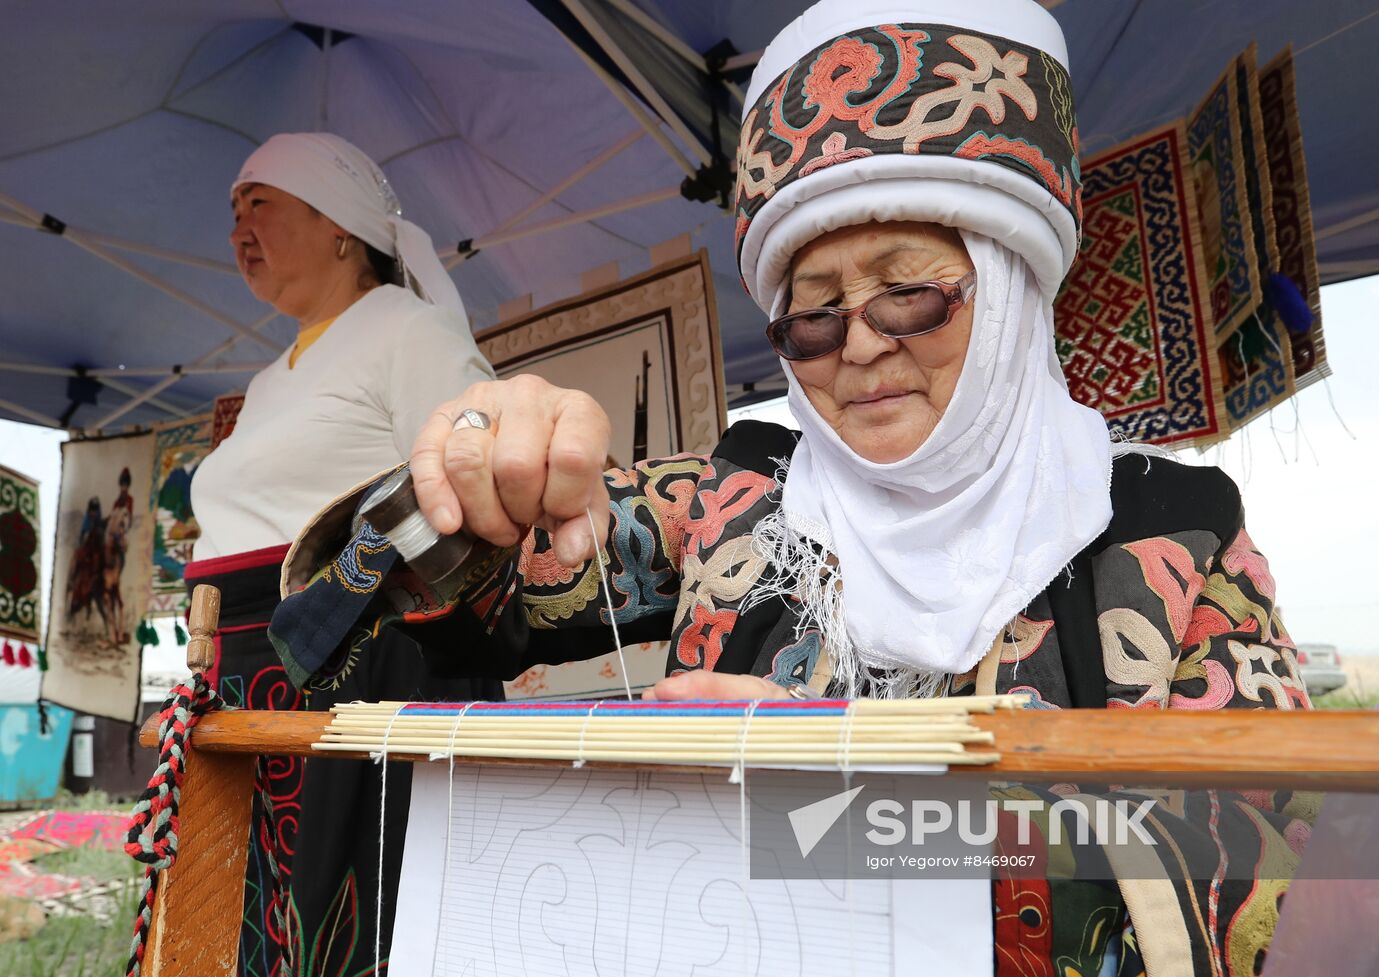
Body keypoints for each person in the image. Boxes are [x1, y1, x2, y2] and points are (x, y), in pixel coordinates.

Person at [281, 1, 1312, 970]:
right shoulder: (737, 494)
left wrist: (850, 803)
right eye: (812, 313)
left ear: (1006, 289)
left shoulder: (1174, 535)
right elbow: (399, 618)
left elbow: (1255, 871)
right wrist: (475, 476)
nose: (858, 345)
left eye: (907, 290)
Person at [184, 132, 497, 977]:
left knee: (345, 914)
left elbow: (465, 486)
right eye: (233, 212)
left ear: (339, 227)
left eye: (261, 204)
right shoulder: (268, 380)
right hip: (244, 673)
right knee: (253, 913)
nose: (238, 228)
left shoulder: (407, 329)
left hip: (352, 668)